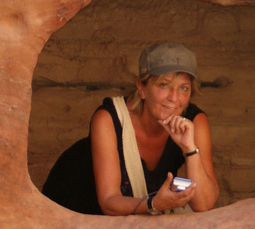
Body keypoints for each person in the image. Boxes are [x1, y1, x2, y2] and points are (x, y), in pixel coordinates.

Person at [41, 41, 220, 216]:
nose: (174, 98)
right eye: (164, 85)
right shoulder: (109, 118)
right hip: (74, 209)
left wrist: (190, 149)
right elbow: (109, 201)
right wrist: (155, 204)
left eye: (183, 88)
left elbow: (204, 204)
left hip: (130, 223)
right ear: (141, 87)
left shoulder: (193, 122)